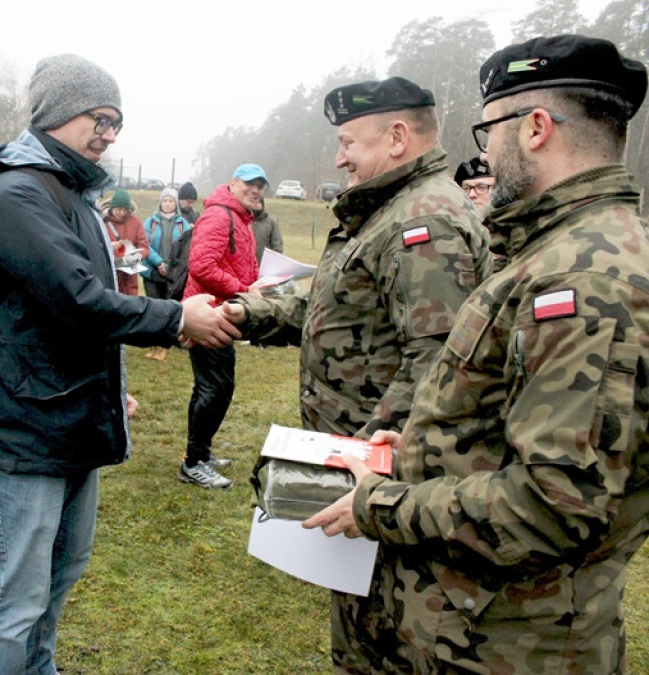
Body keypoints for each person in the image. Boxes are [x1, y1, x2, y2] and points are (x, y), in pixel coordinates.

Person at [305, 35, 649, 673]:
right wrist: (416, 443)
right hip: (470, 619)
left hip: (509, 638)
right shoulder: (555, 251)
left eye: (488, 130)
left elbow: (557, 506)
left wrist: (380, 505)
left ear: (536, 128)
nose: (483, 149)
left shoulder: (582, 278)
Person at [0, 53, 240, 675]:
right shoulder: (18, 192)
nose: (110, 133)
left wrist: (111, 389)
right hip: (21, 426)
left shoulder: (71, 193)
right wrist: (176, 318)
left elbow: (79, 307)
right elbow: (78, 301)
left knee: (60, 576)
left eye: (117, 122)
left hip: (69, 415)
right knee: (13, 600)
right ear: (57, 112)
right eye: (99, 118)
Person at [223, 77, 491, 672]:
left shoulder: (423, 223)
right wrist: (243, 313)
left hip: (384, 477)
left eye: (348, 141)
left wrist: (364, 472)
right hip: (362, 474)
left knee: (385, 646)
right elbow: (327, 301)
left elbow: (438, 368)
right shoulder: (387, 212)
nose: (338, 156)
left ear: (397, 138)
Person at [180, 163, 266, 490]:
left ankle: (202, 452)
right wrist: (242, 289)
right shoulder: (219, 215)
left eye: (260, 186)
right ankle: (193, 462)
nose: (256, 190)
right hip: (206, 314)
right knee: (212, 389)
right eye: (249, 184)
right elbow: (201, 265)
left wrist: (260, 284)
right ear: (232, 183)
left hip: (223, 313)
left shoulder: (242, 219)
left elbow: (247, 264)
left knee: (220, 387)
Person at [141, 186, 191, 361]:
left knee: (167, 309)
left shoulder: (182, 223)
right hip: (152, 270)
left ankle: (163, 346)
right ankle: (153, 345)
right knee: (153, 308)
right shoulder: (150, 222)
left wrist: (169, 266)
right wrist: (159, 262)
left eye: (171, 201)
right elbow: (145, 244)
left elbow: (184, 248)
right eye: (165, 200)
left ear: (175, 203)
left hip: (172, 273)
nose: (168, 204)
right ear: (160, 202)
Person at [102, 189, 149, 296]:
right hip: (109, 275)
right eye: (118, 209)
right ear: (112, 207)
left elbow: (144, 246)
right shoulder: (102, 221)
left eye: (125, 209)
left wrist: (138, 256)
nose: (122, 213)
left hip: (129, 279)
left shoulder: (136, 222)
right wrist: (110, 247)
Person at [251, 199, 283, 264]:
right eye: (253, 203)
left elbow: (277, 244)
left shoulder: (271, 222)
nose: (255, 205)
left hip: (265, 264)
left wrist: (275, 261)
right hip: (246, 265)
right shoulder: (244, 220)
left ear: (262, 205)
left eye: (257, 203)